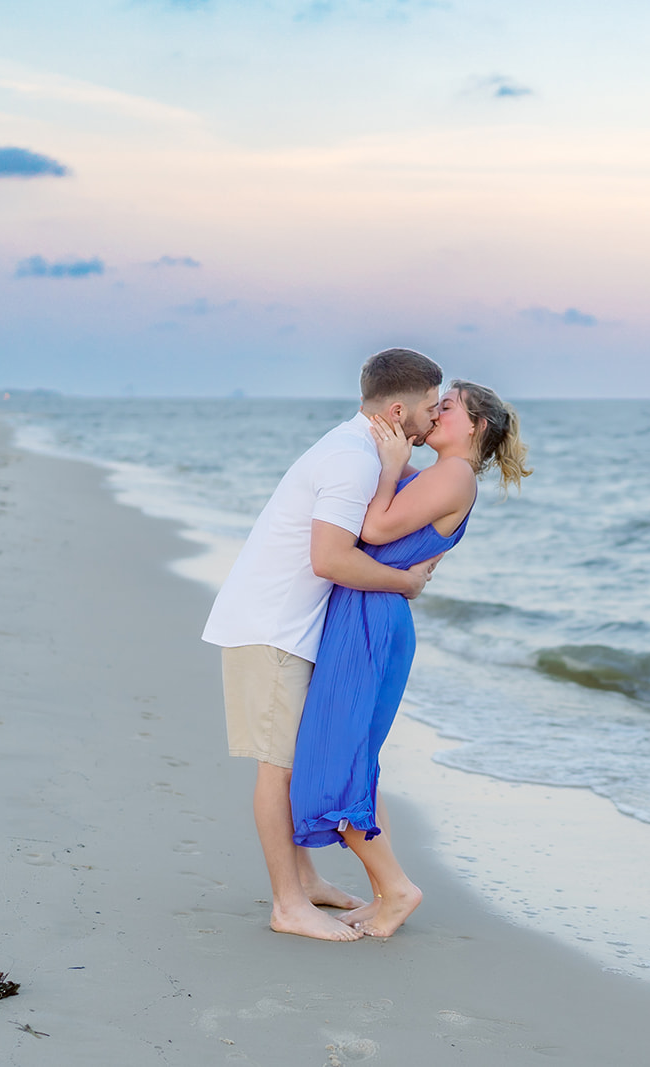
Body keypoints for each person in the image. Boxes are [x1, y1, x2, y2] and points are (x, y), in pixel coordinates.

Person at [201, 348, 445, 941]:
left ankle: (306, 882)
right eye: (431, 409)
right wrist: (406, 581)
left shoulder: (362, 450)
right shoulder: (351, 459)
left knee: (294, 762)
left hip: (294, 627)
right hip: (271, 628)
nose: (435, 419)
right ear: (397, 408)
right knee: (278, 770)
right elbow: (330, 558)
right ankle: (287, 905)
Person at [290, 380, 531, 938]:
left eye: (447, 407)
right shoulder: (445, 475)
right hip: (372, 613)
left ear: (475, 427)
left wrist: (390, 462)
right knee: (357, 766)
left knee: (335, 764)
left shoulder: (453, 473)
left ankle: (397, 890)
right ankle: (383, 894)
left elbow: (374, 528)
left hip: (371, 621)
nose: (434, 412)